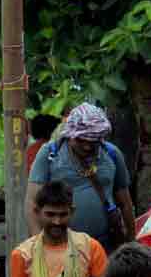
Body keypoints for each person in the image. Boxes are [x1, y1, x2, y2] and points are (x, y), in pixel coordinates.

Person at [28, 103, 135, 253]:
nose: (87, 146)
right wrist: (41, 248)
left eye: (93, 142)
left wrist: (130, 242)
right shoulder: (49, 154)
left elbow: (125, 203)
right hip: (61, 246)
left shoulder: (111, 154)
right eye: (81, 140)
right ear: (70, 135)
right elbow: (33, 203)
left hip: (105, 245)